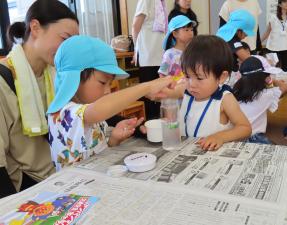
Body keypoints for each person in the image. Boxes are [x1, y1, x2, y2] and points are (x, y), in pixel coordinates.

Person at [46, 35, 174, 171]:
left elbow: (93, 150)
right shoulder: (63, 113)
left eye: (110, 83)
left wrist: (113, 140)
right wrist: (146, 87)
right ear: (74, 78)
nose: (107, 90)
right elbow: (98, 110)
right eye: (102, 82)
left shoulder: (88, 108)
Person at [0, 0, 79, 198]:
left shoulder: (54, 74)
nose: (67, 49)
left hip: (62, 174)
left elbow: (82, 109)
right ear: (35, 28)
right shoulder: (4, 81)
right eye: (64, 39)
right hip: (29, 186)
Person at [179, 35, 251, 151]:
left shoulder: (225, 99)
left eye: (199, 78)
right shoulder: (187, 92)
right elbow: (162, 94)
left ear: (222, 77)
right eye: (187, 76)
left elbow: (245, 128)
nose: (191, 84)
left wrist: (220, 137)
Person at [232, 56, 287, 144]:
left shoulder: (235, 90)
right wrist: (274, 81)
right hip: (252, 137)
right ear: (262, 77)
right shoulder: (266, 94)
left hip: (234, 135)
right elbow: (284, 88)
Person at [132, 0, 168, 120]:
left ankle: (158, 126)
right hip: (147, 56)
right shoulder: (146, 1)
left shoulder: (162, 3)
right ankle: (149, 128)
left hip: (160, 56)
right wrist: (136, 50)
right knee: (148, 96)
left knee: (159, 96)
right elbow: (135, 26)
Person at [262, 0, 287, 71]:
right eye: (285, 1)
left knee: (285, 69)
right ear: (279, 4)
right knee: (273, 69)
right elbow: (267, 32)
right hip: (273, 47)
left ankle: (284, 81)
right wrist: (258, 42)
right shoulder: (272, 17)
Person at [158, 15, 195, 81]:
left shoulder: (192, 52)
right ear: (175, 34)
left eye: (191, 30)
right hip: (174, 90)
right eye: (186, 30)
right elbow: (162, 74)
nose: (190, 33)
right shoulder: (169, 54)